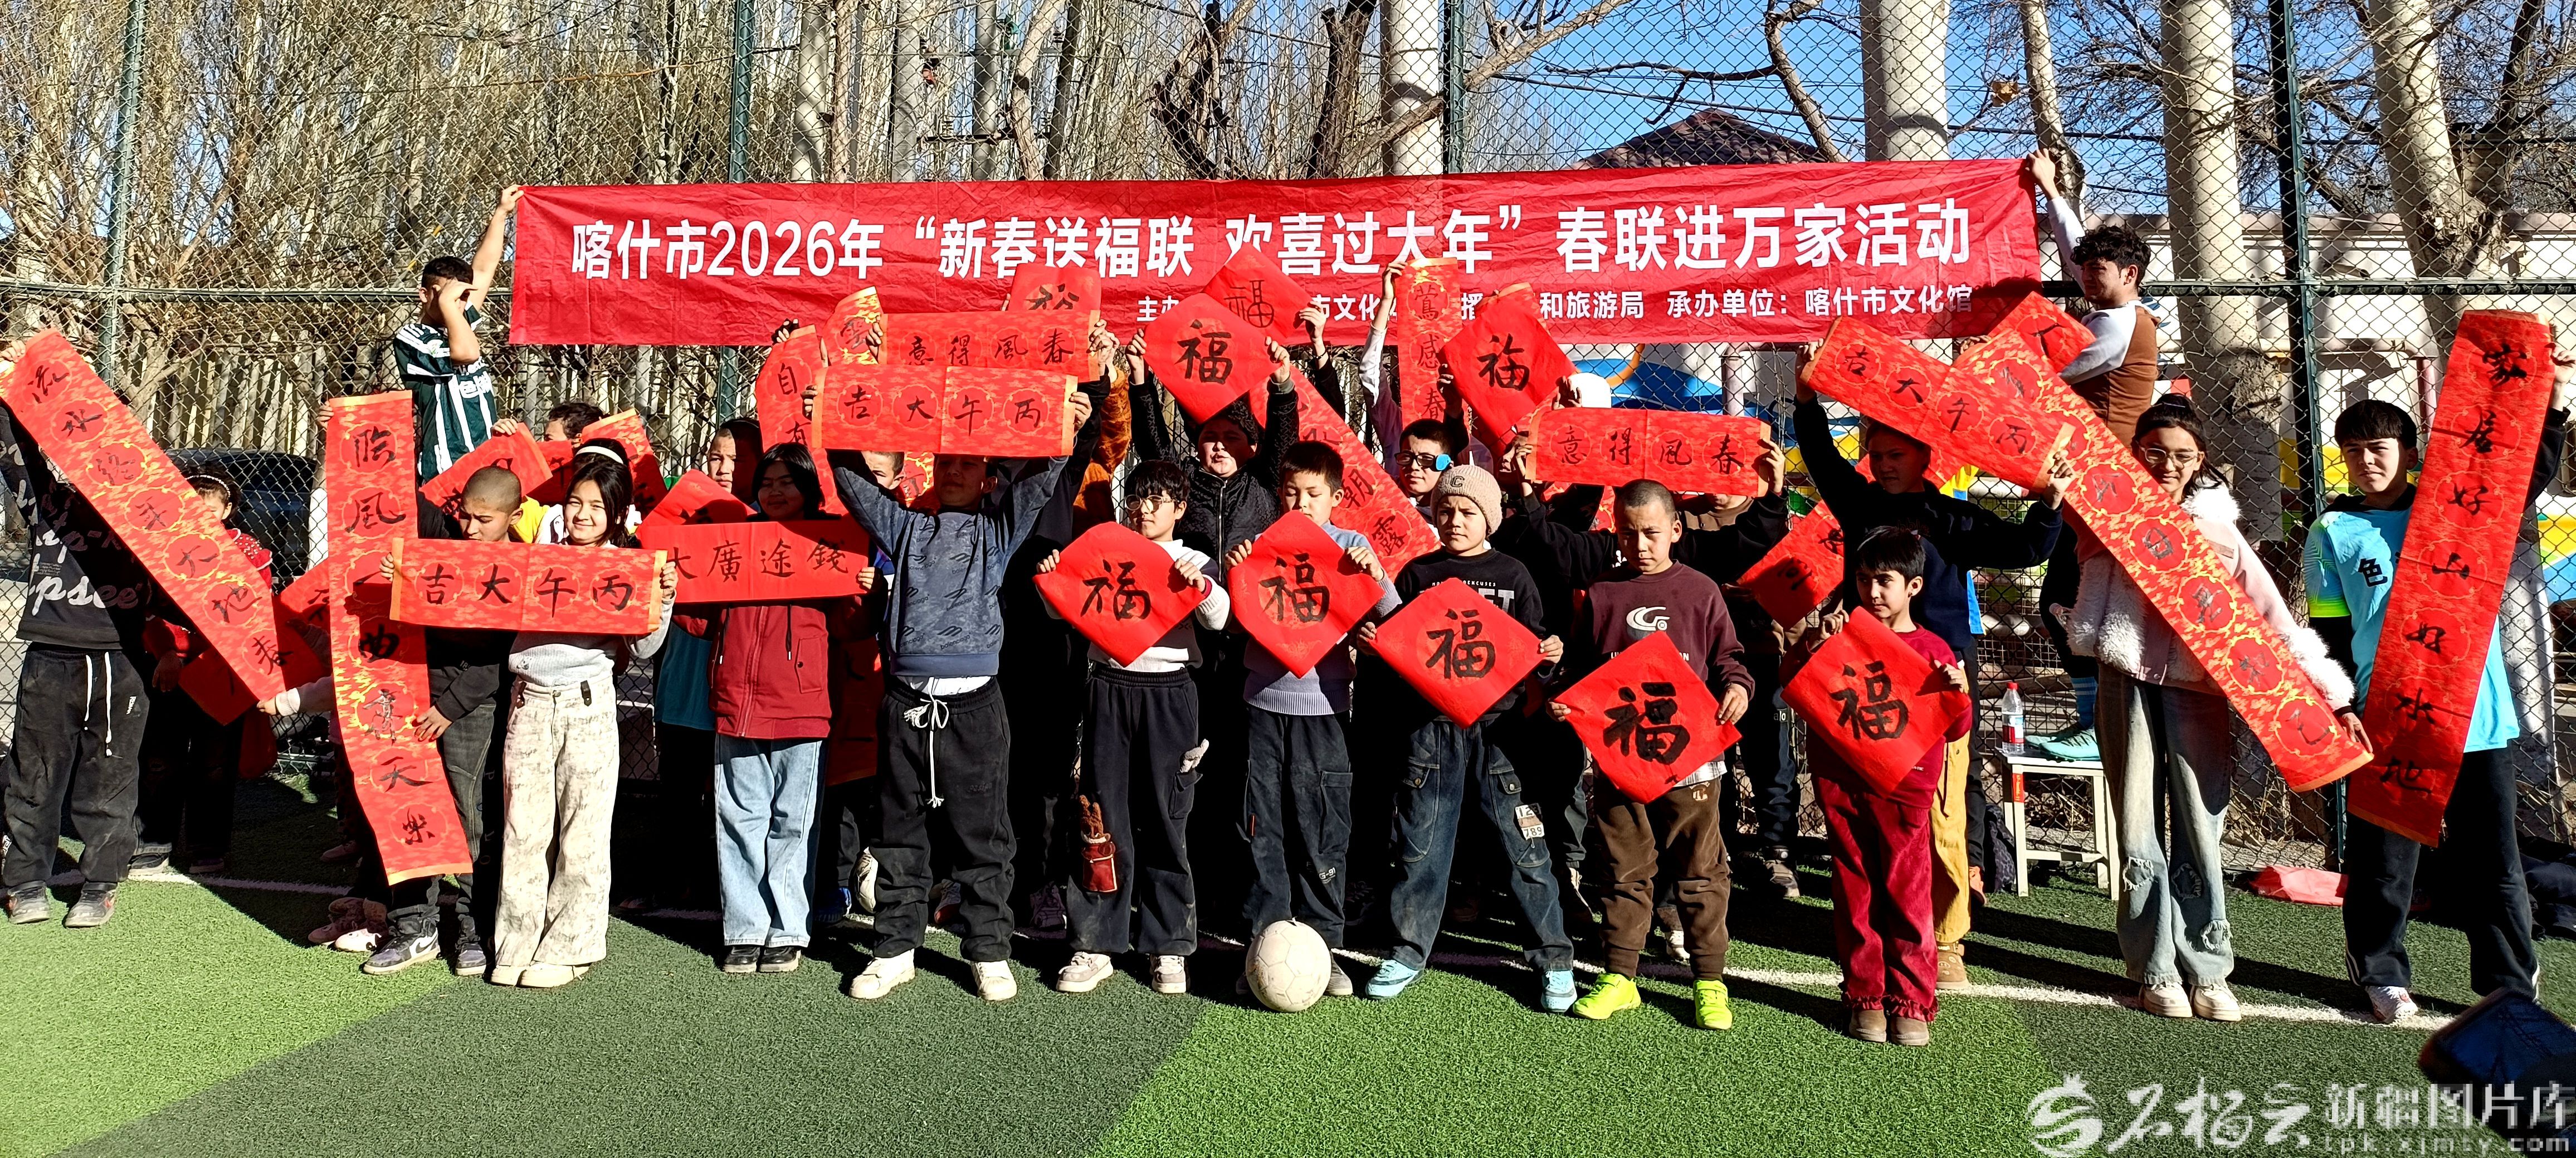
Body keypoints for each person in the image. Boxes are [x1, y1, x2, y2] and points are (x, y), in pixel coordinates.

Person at [2065, 398, 2359, 1021]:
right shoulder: (2106, 512)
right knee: (2136, 827)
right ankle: (2153, 967)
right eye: (2154, 452)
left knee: (2201, 828)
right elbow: (2055, 488)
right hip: (2125, 678)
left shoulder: (2220, 534)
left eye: (2181, 455)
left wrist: (2331, 696)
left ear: (2200, 460)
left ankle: (2208, 966)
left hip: (2199, 691)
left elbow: (2273, 617)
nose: (2167, 465)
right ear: (2135, 451)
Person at [1792, 373, 2071, 987]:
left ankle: (1947, 936)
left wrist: (2050, 504)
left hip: (1937, 674)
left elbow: (2026, 548)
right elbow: (1821, 456)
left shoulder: (1952, 517)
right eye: (1876, 453)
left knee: (1948, 797)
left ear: (1925, 455)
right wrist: (1807, 399)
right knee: (1865, 800)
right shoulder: (1859, 503)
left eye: (1896, 453)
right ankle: (1872, 927)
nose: (1883, 464)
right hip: (1866, 673)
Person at [830, 390, 1097, 1003]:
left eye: (967, 463)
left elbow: (1038, 487)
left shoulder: (997, 533)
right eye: (945, 461)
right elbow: (853, 486)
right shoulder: (904, 526)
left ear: (986, 477)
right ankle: (894, 949)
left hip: (975, 708)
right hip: (906, 703)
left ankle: (989, 950)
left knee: (985, 836)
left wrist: (1066, 432)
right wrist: (832, 423)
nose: (953, 471)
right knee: (899, 832)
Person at [2309, 396, 2568, 1023]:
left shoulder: (2450, 510)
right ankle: (2382, 974)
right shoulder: (2331, 532)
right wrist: (2344, 702)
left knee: (2493, 858)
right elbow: (2331, 634)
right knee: (2384, 860)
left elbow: (2522, 480)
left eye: (2378, 448)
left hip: (2476, 715)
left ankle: (2508, 983)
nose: (2366, 462)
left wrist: (2555, 411)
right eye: (2352, 451)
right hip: (2390, 718)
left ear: (2409, 452)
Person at [1355, 464, 1575, 1011]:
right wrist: (1375, 646)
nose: (1455, 519)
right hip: (1431, 731)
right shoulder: (1419, 573)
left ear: (1490, 518)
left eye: (1468, 511)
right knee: (1421, 847)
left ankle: (1553, 958)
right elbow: (1402, 650)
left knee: (1525, 847)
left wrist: (1549, 653)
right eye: (1446, 510)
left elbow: (1535, 647)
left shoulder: (1514, 574)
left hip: (1501, 733)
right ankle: (1408, 951)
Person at [1548, 480, 1754, 1030]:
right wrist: (1563, 699)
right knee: (1622, 868)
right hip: (1621, 759)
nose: (1639, 544)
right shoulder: (1602, 593)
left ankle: (1709, 980)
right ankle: (1620, 976)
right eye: (1627, 533)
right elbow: (1578, 669)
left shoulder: (1701, 591)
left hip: (1693, 760)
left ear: (1676, 530)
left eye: (1651, 533)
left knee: (1701, 870)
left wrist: (1738, 689)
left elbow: (1731, 660)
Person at [1040, 460, 1232, 995]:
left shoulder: (1195, 558)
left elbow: (1221, 618)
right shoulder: (1108, 549)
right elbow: (1059, 612)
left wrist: (1201, 587)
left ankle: (1167, 945)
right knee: (1102, 817)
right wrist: (1053, 576)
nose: (1144, 510)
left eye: (1157, 501)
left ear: (1179, 508)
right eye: (1137, 499)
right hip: (1108, 687)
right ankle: (1095, 942)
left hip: (1171, 693)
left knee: (1167, 819)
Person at [490, 451, 677, 989]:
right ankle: (515, 941)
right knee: (523, 830)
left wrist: (663, 599)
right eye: (575, 502)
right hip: (528, 703)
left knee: (583, 831)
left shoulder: (629, 566)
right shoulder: (535, 560)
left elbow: (644, 650)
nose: (583, 515)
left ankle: (573, 944)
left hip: (587, 705)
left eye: (597, 506)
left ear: (617, 514)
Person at [1220, 441, 1400, 998]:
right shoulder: (1260, 546)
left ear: (1336, 498)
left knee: (1323, 829)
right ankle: (1263, 948)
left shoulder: (1352, 547)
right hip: (1262, 704)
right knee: (1261, 827)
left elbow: (1394, 620)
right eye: (1292, 492)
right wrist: (1236, 573)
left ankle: (1324, 950)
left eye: (1314, 494)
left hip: (1325, 709)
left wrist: (1377, 577)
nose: (1301, 503)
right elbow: (1231, 624)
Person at [1785, 528, 1972, 1047]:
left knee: (1907, 891)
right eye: (1864, 579)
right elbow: (1792, 685)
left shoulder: (1933, 648)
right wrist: (1811, 645)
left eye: (1885, 581)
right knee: (1854, 887)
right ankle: (1865, 996)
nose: (1872, 592)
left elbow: (1956, 728)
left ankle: (1911, 1000)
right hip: (1842, 780)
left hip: (1906, 787)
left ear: (1914, 587)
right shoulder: (1840, 634)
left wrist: (1959, 692)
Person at [695, 445, 872, 976]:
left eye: (787, 482)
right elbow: (702, 622)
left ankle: (788, 929)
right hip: (736, 703)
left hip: (802, 705)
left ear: (809, 490)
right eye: (767, 482)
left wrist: (865, 593)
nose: (775, 491)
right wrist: (675, 590)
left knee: (794, 822)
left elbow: (852, 627)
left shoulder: (830, 542)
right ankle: (745, 929)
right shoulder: (734, 541)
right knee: (738, 819)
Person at [0, 341, 157, 928]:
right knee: (34, 775)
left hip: (121, 660)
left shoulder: (148, 511)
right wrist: (14, 385)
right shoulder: (49, 503)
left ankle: (100, 883)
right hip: (50, 654)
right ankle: (25, 882)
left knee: (109, 778)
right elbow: (14, 453)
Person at [2026, 152, 2165, 761]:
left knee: (2072, 598)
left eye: (2097, 270)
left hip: (2104, 482)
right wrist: (2052, 191)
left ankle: (2099, 723)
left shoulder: (2117, 326)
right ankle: (2095, 720)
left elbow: (2048, 376)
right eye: (2084, 269)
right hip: (2088, 478)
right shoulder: (2115, 311)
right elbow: (2073, 248)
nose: (2084, 277)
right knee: (2067, 597)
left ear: (2130, 274)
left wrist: (1999, 360)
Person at [362, 468, 525, 976]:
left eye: (485, 520)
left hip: (471, 707)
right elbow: (398, 493)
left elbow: (502, 657)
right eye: (466, 516)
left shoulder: (524, 567)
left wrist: (450, 708)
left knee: (468, 813)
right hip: (411, 691)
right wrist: (400, 572)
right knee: (407, 804)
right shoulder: (446, 542)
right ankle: (414, 925)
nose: (471, 529)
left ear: (514, 516)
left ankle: (476, 927)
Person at [640, 417, 762, 916]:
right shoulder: (682, 517)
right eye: (716, 457)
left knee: (732, 794)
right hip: (681, 674)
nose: (724, 468)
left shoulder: (770, 526)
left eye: (738, 459)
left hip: (736, 683)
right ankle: (674, 882)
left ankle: (725, 890)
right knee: (679, 787)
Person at [131, 467, 273, 879]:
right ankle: (153, 841)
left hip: (223, 667)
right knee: (159, 758)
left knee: (215, 761)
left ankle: (208, 845)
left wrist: (226, 659)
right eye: (192, 509)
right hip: (168, 667)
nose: (200, 518)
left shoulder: (249, 552)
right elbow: (148, 609)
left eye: (210, 511)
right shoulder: (161, 547)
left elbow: (258, 612)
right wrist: (166, 653)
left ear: (227, 511)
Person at [404, 186, 521, 480]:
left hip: (486, 461)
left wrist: (502, 213)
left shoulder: (461, 318)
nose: (459, 302)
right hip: (446, 468)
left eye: (463, 296)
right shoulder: (412, 337)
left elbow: (483, 268)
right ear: (425, 295)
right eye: (449, 295)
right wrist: (447, 302)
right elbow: (467, 354)